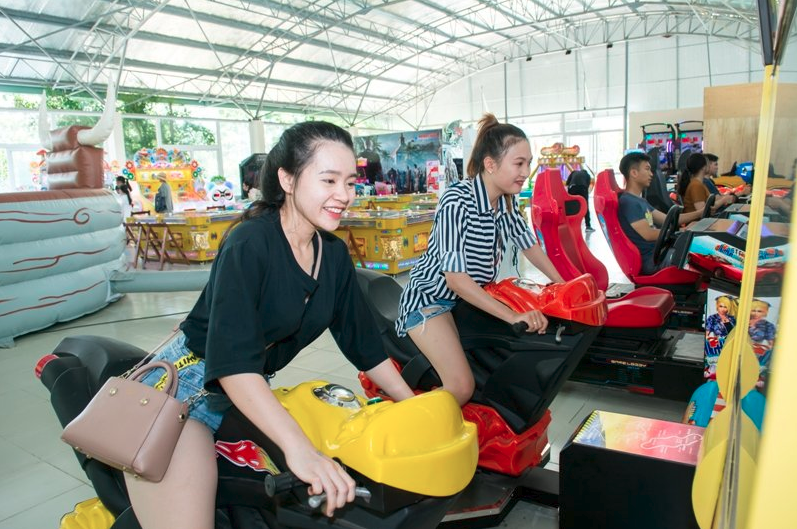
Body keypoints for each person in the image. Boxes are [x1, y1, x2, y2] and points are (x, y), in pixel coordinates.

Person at [125, 121, 415, 529]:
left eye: (350, 182)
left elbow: (363, 343)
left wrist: (412, 404)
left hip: (241, 391)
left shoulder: (331, 254)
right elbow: (233, 364)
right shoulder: (249, 243)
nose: (344, 195)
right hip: (180, 393)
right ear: (288, 179)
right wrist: (300, 449)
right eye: (329, 179)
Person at [395, 113, 565, 407]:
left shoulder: (505, 204)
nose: (526, 171)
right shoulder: (457, 200)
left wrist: (564, 286)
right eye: (519, 163)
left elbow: (530, 247)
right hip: (430, 302)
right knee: (460, 387)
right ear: (490, 164)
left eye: (528, 163)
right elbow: (456, 280)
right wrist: (512, 316)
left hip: (467, 301)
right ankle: (397, 426)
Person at [618, 152, 703, 275]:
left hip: (660, 253)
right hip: (653, 260)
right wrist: (683, 232)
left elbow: (670, 219)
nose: (651, 174)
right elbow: (649, 234)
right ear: (634, 173)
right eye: (647, 169)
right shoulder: (628, 202)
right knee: (702, 255)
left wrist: (699, 213)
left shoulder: (640, 201)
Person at [704, 295, 737, 378]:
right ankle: (713, 370)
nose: (722, 309)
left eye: (725, 307)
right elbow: (707, 333)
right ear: (717, 306)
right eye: (720, 306)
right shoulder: (712, 318)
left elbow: (734, 332)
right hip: (715, 343)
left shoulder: (732, 318)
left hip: (730, 343)